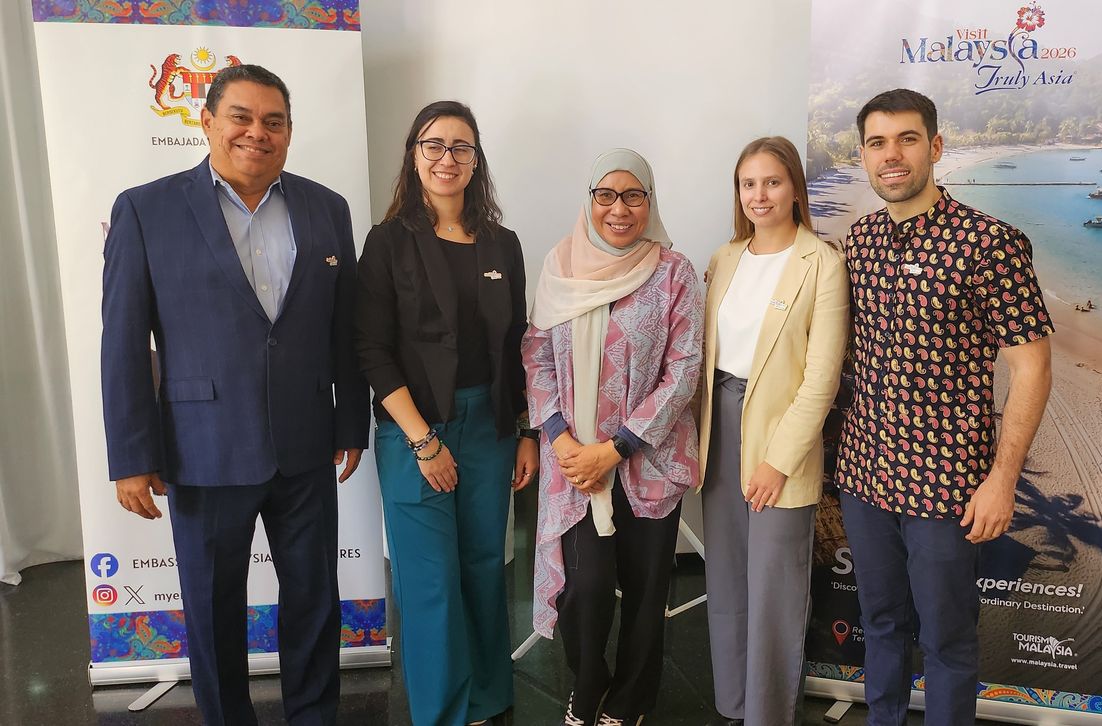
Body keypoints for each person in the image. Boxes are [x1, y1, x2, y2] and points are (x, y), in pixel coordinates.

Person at [101, 64, 369, 725]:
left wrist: (350, 424)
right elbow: (124, 339)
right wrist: (131, 454)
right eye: (242, 117)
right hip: (204, 449)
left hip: (306, 444)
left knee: (313, 599)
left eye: (273, 122)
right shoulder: (146, 208)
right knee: (214, 607)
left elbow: (347, 328)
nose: (258, 132)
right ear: (208, 122)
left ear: (288, 132)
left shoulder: (326, 207)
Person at [836, 88, 1054, 725]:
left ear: (934, 146)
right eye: (877, 143)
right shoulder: (859, 243)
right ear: (864, 156)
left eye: (906, 139)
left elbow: (1032, 366)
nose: (891, 155)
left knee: (947, 640)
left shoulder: (992, 243)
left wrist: (1002, 480)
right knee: (878, 622)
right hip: (865, 474)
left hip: (950, 485)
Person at [354, 100, 538, 726]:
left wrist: (524, 432)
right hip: (413, 428)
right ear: (413, 154)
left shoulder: (502, 244)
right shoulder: (386, 243)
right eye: (433, 145)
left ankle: (489, 699)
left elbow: (517, 346)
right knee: (429, 579)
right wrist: (423, 442)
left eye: (461, 147)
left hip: (488, 425)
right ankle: (443, 713)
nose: (446, 158)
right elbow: (371, 350)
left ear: (476, 160)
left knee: (485, 565)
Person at [523, 149, 703, 726]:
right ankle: (588, 681)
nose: (619, 209)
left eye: (634, 196)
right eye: (607, 195)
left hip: (646, 460)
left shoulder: (673, 271)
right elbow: (537, 358)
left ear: (650, 202)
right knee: (587, 590)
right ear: (590, 198)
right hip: (575, 463)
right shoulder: (560, 266)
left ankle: (630, 702)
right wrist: (559, 437)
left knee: (648, 594)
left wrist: (618, 446)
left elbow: (684, 369)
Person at [697, 137, 849, 726]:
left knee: (775, 591)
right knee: (727, 581)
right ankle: (731, 703)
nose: (760, 195)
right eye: (748, 184)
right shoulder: (724, 258)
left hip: (781, 438)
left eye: (773, 182)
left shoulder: (822, 263)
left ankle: (766, 713)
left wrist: (777, 461)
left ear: (795, 189)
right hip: (720, 428)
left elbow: (821, 381)